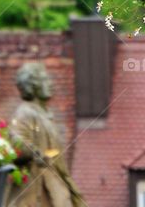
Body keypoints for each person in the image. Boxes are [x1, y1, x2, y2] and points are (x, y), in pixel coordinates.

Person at [7, 63, 86, 207]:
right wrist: (32, 151)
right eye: (45, 79)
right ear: (32, 86)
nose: (51, 84)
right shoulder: (25, 112)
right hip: (38, 189)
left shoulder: (44, 115)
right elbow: (16, 139)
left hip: (54, 185)